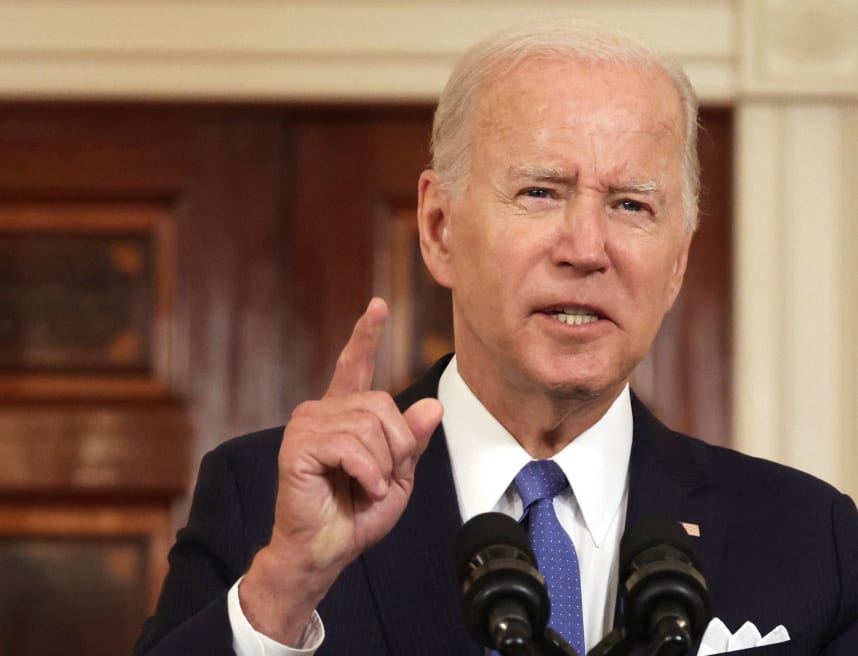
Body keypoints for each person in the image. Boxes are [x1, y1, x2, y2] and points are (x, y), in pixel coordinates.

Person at [132, 21, 858, 656]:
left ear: (677, 263)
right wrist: (286, 588)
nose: (586, 247)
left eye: (632, 204)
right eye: (541, 192)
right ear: (439, 228)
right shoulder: (263, 503)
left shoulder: (805, 535)